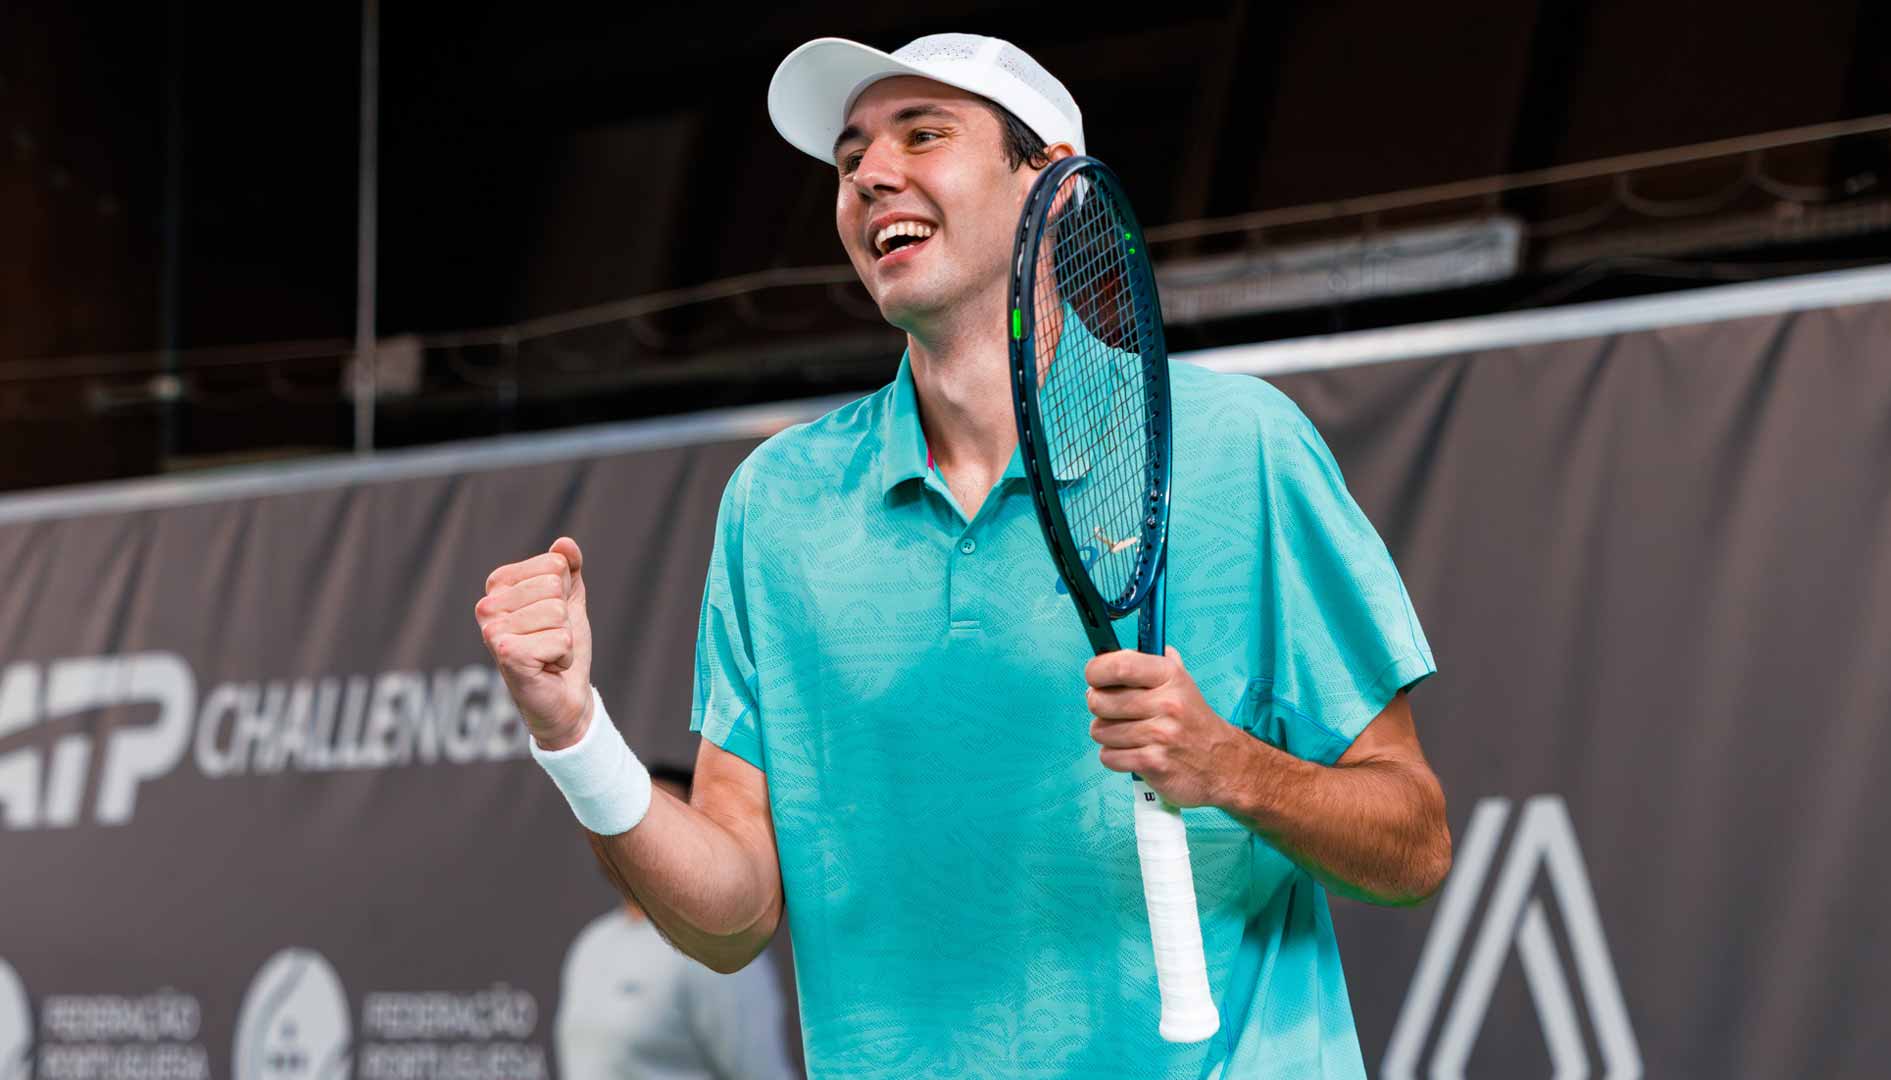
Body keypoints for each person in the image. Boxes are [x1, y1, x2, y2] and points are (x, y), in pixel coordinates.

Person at [476, 33, 1450, 1079]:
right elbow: (732, 917)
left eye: (923, 134)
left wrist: (1235, 770)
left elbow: (1414, 841)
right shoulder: (778, 505)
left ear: (1057, 189)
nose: (870, 177)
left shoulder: (1240, 446)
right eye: (849, 162)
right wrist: (576, 736)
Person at [554, 765, 798, 1080]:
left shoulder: (722, 945)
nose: (633, 831)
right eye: (625, 810)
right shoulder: (592, 943)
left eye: (653, 817)